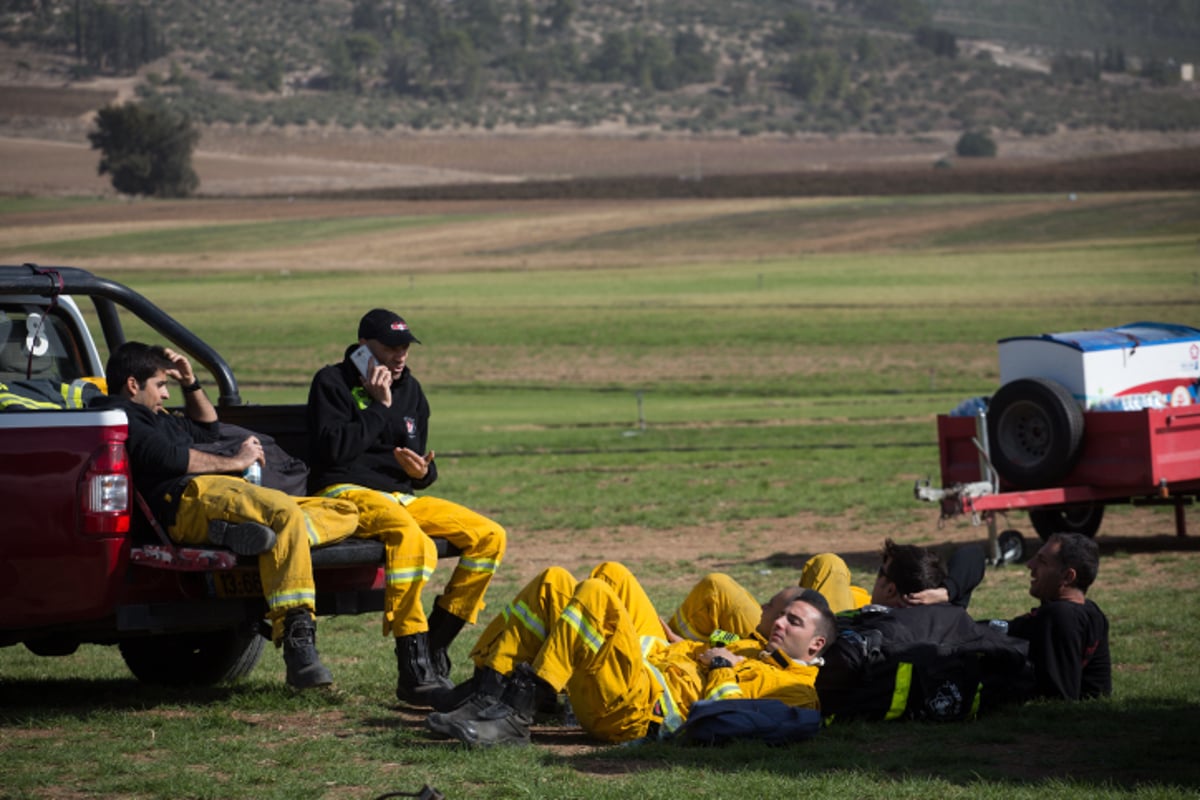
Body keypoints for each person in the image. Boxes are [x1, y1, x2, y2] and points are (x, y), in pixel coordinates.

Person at [93, 342, 360, 689]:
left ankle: (250, 534)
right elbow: (171, 460)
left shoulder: (158, 418)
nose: (164, 394)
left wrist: (191, 382)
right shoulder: (121, 416)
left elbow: (208, 429)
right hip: (187, 499)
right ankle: (298, 643)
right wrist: (237, 461)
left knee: (345, 511)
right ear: (132, 385)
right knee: (282, 511)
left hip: (220, 494)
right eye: (161, 385)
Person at [306, 308, 507, 706]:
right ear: (364, 347)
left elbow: (418, 463)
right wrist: (378, 407)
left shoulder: (411, 390)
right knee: (409, 538)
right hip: (344, 493)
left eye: (404, 348)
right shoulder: (331, 382)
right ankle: (412, 670)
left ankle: (432, 646)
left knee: (489, 536)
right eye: (390, 348)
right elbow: (333, 452)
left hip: (401, 496)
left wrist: (422, 473)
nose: (400, 357)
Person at [424, 562, 836, 748]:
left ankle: (520, 709)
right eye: (780, 616)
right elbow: (702, 652)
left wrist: (722, 668)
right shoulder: (755, 647)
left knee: (596, 596)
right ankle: (489, 688)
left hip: (639, 708)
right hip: (646, 669)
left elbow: (726, 716)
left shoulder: (798, 692)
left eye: (792, 623)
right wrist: (677, 643)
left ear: (816, 645)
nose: (778, 623)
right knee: (587, 576)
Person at [666, 541, 986, 647]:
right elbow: (973, 553)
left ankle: (666, 647)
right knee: (832, 569)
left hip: (798, 652)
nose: (875, 578)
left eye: (880, 572)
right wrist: (948, 592)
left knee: (716, 587)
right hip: (822, 635)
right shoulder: (944, 613)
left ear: (891, 588)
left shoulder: (884, 628)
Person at [1006, 532, 1111, 700]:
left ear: (1068, 576)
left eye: (1042, 561)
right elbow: (1098, 690)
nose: (1030, 565)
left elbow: (1060, 697)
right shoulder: (1091, 612)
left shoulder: (1060, 617)